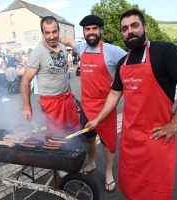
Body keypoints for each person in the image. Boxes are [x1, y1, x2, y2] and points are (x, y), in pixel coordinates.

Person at [85, 9, 177, 199]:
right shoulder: (123, 62)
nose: (130, 31)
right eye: (124, 28)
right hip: (131, 140)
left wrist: (174, 124)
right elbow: (114, 94)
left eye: (134, 26)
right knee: (131, 189)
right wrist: (97, 119)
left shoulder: (165, 51)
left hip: (157, 140)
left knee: (155, 193)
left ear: (144, 27)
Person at [59, 15, 126, 192]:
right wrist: (51, 36)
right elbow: (67, 40)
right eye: (87, 29)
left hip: (106, 107)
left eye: (94, 29)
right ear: (84, 32)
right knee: (89, 138)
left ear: (101, 30)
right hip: (86, 106)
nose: (91, 32)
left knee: (108, 143)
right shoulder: (81, 47)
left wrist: (119, 81)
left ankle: (109, 173)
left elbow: (130, 64)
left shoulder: (113, 51)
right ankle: (91, 164)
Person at [21, 16, 80, 136]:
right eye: (47, 33)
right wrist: (26, 106)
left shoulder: (63, 48)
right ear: (43, 33)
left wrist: (70, 90)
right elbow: (25, 81)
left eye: (54, 31)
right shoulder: (37, 53)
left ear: (58, 30)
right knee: (57, 137)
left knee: (75, 132)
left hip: (67, 98)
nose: (51, 36)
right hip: (51, 102)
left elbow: (62, 73)